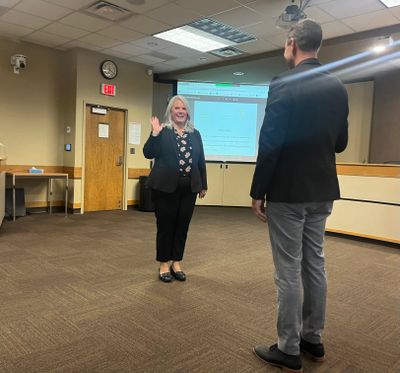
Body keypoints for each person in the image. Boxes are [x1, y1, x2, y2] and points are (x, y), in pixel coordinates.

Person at [250, 20, 349, 372]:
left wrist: (257, 190)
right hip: (322, 190)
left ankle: (288, 348)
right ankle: (313, 338)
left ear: (293, 43)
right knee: (315, 264)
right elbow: (341, 143)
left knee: (288, 270)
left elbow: (271, 142)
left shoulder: (283, 82)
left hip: (288, 192)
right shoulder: (338, 86)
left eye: (284, 44)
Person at [143, 95, 207, 283]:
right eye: (176, 108)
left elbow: (200, 160)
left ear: (187, 112)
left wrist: (203, 184)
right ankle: (164, 263)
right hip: (165, 188)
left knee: (182, 226)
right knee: (165, 226)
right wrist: (154, 133)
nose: (180, 111)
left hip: (189, 188)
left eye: (184, 109)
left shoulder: (195, 134)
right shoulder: (163, 131)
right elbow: (148, 153)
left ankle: (176, 262)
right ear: (170, 112)